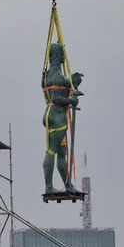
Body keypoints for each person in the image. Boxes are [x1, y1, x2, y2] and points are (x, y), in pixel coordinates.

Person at [41, 42, 84, 193]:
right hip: (57, 116)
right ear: (59, 56)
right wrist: (71, 100)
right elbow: (56, 97)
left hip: (52, 114)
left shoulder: (45, 76)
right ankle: (48, 187)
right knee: (52, 151)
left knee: (61, 153)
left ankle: (68, 185)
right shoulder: (58, 77)